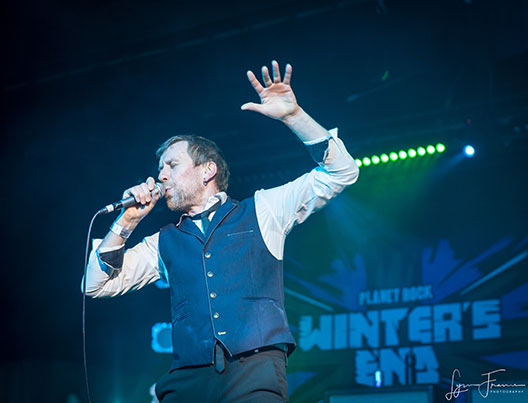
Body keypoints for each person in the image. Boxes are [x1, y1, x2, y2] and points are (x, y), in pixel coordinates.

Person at [83, 60, 359, 402]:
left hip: (254, 373)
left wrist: (294, 116)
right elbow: (94, 285)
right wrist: (126, 222)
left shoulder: (263, 209)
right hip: (189, 379)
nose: (162, 176)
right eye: (161, 168)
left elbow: (342, 173)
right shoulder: (163, 242)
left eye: (172, 165)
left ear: (207, 170)